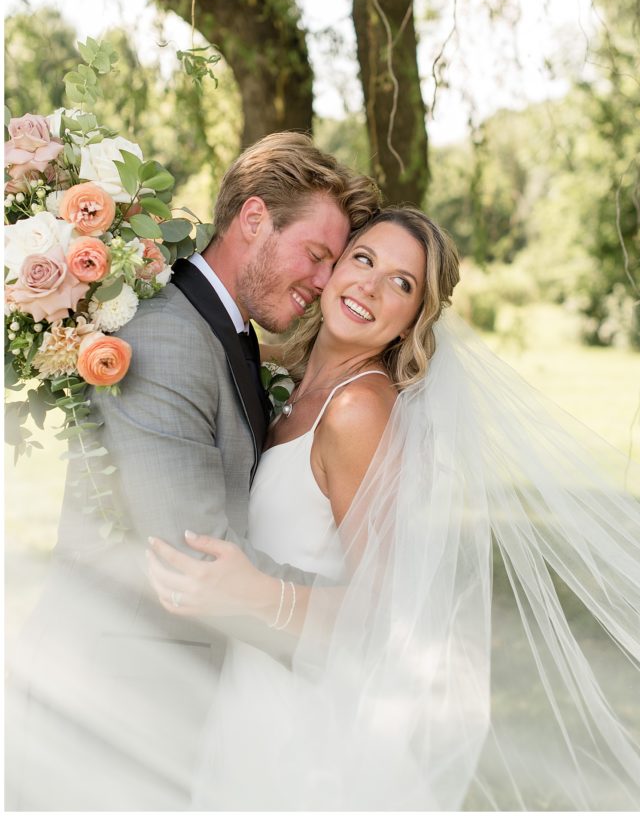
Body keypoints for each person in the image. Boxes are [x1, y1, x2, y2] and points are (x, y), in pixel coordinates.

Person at [148, 206, 640, 811]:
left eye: (401, 284)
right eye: (364, 260)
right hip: (250, 693)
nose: (370, 287)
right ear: (335, 266)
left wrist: (257, 595)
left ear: (413, 321)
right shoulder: (293, 384)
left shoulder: (358, 410)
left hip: (304, 729)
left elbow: (384, 615)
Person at [5, 131, 381, 811]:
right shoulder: (165, 337)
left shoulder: (225, 332)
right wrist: (348, 618)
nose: (326, 282)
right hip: (108, 715)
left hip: (164, 713)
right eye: (317, 255)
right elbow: (192, 555)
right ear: (255, 219)